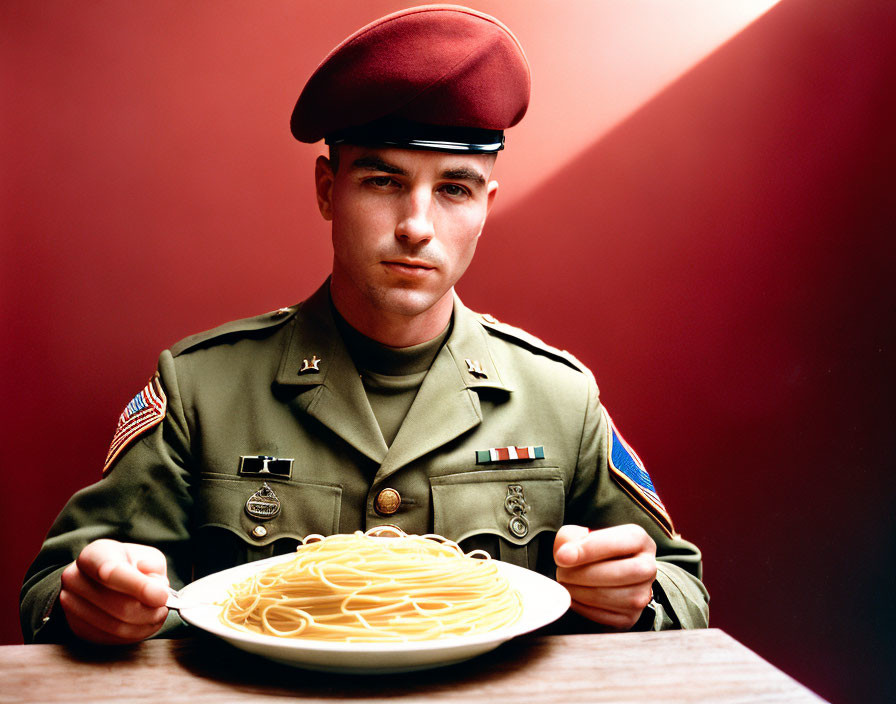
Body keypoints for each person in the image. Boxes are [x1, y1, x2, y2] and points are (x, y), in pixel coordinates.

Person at [21, 5, 708, 645]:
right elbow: (51, 591)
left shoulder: (558, 397)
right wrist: (92, 604)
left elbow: (683, 586)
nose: (416, 225)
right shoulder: (202, 390)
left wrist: (636, 595)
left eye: (454, 188)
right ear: (328, 189)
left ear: (486, 205)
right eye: (383, 180)